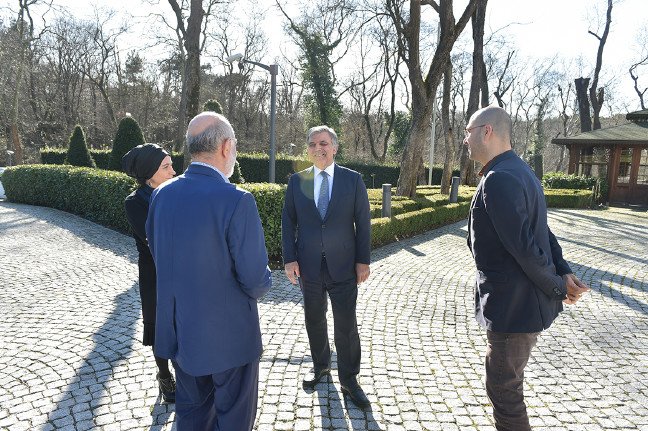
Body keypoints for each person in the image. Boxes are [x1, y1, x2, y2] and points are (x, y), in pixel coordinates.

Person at [464, 105, 590, 431]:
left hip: (514, 308)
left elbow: (525, 247)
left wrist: (559, 286)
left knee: (504, 390)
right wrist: (562, 271)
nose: (465, 139)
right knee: (505, 386)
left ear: (486, 131)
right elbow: (541, 232)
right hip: (519, 305)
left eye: (468, 132)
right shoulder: (520, 170)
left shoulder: (499, 178)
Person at [145, 112, 272, 430]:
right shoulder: (237, 200)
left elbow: (160, 256)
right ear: (227, 147)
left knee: (191, 418)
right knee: (234, 421)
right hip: (231, 340)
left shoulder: (161, 194)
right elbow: (255, 280)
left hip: (182, 333)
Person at [281, 125, 372, 409]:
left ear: (334, 147)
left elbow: (363, 223)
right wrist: (289, 259)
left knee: (346, 324)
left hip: (344, 266)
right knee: (314, 320)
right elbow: (288, 221)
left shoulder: (352, 180)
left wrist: (363, 261)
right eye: (312, 144)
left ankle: (349, 379)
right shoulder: (297, 181)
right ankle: (321, 366)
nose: (317, 148)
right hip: (308, 266)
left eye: (323, 143)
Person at [122, 143, 177, 403]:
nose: (173, 171)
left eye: (171, 165)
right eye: (166, 167)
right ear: (149, 174)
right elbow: (155, 239)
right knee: (159, 327)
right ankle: (164, 375)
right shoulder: (135, 203)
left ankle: (188, 373)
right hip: (155, 275)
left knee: (183, 323)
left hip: (182, 270)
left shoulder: (178, 192)